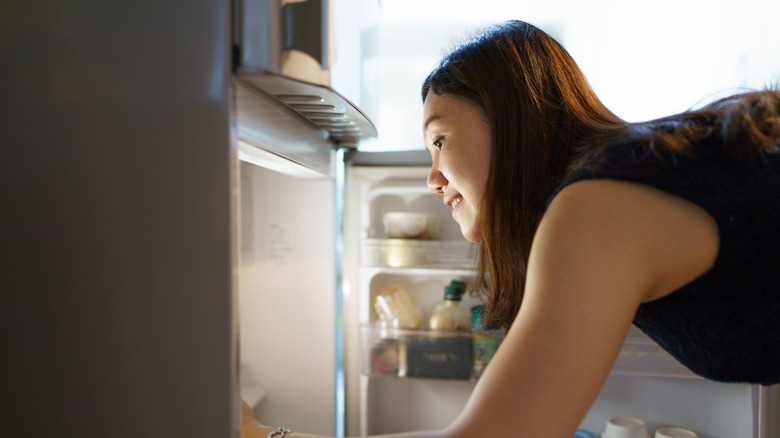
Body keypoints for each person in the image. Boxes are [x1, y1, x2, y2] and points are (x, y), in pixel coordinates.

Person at [243, 20, 780, 438]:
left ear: (509, 119)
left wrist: (263, 435)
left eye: (438, 139)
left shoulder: (594, 209)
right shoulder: (615, 186)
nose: (432, 178)